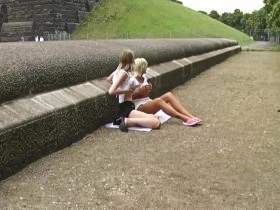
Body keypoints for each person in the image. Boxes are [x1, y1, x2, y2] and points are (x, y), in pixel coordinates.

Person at [132, 58, 202, 126]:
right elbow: (129, 97)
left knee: (169, 95)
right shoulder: (132, 80)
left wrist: (148, 89)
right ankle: (185, 119)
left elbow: (145, 94)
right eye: (144, 67)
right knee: (158, 101)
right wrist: (138, 92)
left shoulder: (143, 77)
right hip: (139, 106)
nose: (145, 69)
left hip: (147, 101)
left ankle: (190, 116)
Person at [108, 50, 161, 132]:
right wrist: (128, 90)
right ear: (131, 61)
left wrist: (121, 86)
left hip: (125, 106)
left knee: (155, 117)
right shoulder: (124, 74)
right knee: (156, 122)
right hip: (126, 107)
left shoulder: (117, 71)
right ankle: (127, 121)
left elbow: (108, 79)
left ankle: (124, 120)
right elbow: (111, 91)